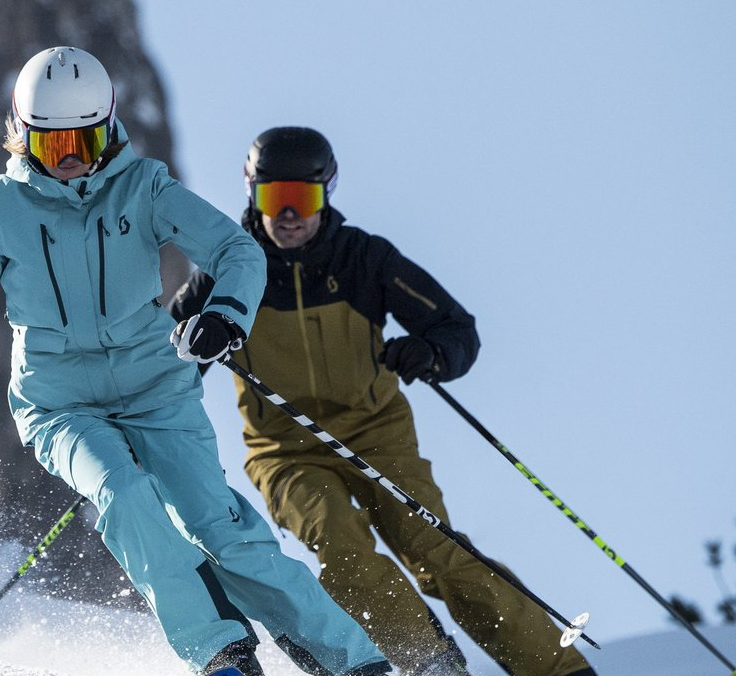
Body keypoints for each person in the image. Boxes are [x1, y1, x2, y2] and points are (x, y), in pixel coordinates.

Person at [0, 49, 396, 676]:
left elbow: (237, 251)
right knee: (124, 494)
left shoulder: (143, 190)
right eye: (53, 143)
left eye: (84, 140)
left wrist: (222, 316)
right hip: (58, 404)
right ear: (22, 135)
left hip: (156, 390)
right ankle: (221, 651)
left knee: (224, 532)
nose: (71, 161)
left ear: (108, 128)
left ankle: (354, 662)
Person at [170, 127, 597, 676]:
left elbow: (456, 329)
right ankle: (431, 664)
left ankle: (560, 671)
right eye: (275, 198)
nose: (290, 215)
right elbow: (168, 358)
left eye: (305, 199)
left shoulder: (364, 259)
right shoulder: (228, 271)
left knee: (440, 552)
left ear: (328, 195)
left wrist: (430, 354)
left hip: (376, 433)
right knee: (343, 550)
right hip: (286, 451)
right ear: (253, 194)